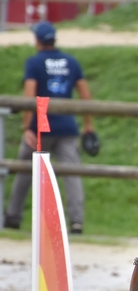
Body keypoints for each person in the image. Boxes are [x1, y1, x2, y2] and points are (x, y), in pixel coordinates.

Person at [3, 21, 94, 234]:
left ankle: (13, 217)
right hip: (67, 124)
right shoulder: (71, 61)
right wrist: (88, 124)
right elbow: (85, 95)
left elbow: (29, 95)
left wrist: (27, 126)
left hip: (41, 125)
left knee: (24, 170)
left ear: (37, 40)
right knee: (72, 174)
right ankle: (77, 221)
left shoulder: (34, 62)